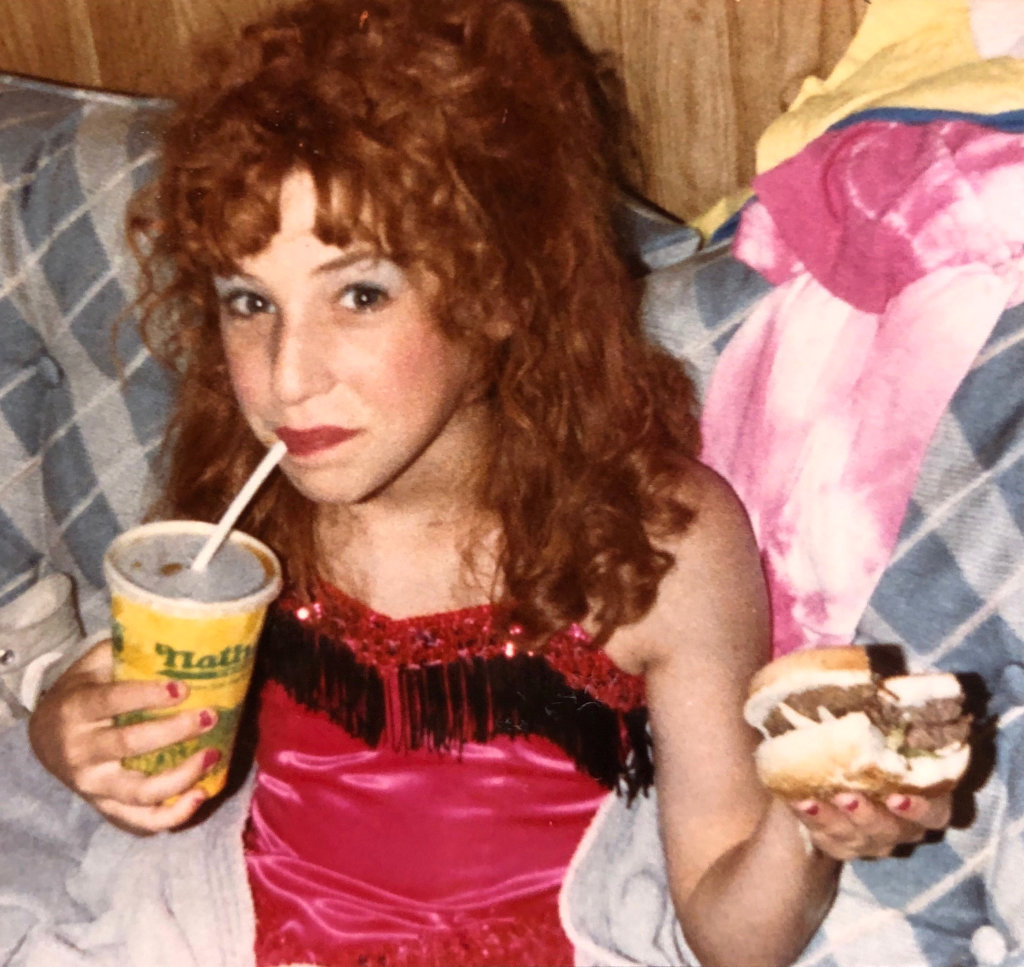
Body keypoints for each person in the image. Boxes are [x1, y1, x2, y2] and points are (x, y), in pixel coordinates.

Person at [22, 1, 955, 965]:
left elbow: (732, 933)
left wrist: (814, 825)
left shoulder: (658, 544)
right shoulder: (243, 500)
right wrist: (73, 736)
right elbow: (163, 786)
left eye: (361, 293)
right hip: (226, 928)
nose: (288, 374)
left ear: (502, 289)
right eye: (249, 301)